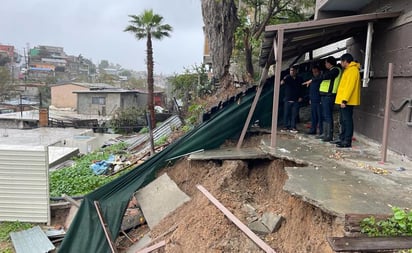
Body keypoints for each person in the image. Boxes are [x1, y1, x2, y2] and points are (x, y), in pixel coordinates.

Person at [303, 56, 342, 141]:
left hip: (329, 95)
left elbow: (326, 76)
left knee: (327, 116)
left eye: (326, 63)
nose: (325, 64)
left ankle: (329, 135)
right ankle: (325, 133)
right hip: (325, 96)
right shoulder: (331, 71)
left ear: (329, 63)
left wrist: (312, 80)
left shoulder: (335, 70)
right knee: (325, 115)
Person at [334, 53, 361, 148]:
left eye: (341, 61)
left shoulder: (352, 70)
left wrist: (344, 100)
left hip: (347, 101)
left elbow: (349, 87)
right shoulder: (348, 70)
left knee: (347, 120)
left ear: (345, 61)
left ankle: (347, 141)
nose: (341, 63)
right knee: (343, 120)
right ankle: (342, 139)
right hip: (344, 100)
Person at [281, 65, 304, 133]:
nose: (292, 72)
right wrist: (284, 79)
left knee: (294, 114)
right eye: (291, 70)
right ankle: (286, 127)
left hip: (296, 99)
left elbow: (302, 89)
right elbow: (281, 83)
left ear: (296, 71)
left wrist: (301, 97)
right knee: (286, 114)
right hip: (288, 99)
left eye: (293, 70)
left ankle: (293, 127)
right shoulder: (287, 77)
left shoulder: (299, 78)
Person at [304, 65, 323, 135]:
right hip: (313, 100)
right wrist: (310, 99)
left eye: (316, 72)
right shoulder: (312, 79)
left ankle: (321, 131)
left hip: (319, 100)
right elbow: (311, 90)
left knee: (320, 117)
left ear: (319, 72)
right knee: (313, 116)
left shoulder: (321, 79)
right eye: (313, 72)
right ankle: (313, 130)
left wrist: (321, 99)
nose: (315, 73)